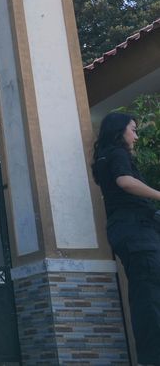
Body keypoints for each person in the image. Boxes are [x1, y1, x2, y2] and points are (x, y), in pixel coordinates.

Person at [91, 112, 160, 365]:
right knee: (150, 296)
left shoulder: (104, 157)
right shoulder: (118, 154)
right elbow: (125, 181)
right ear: (120, 131)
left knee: (146, 294)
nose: (136, 135)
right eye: (133, 129)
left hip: (128, 231)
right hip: (136, 231)